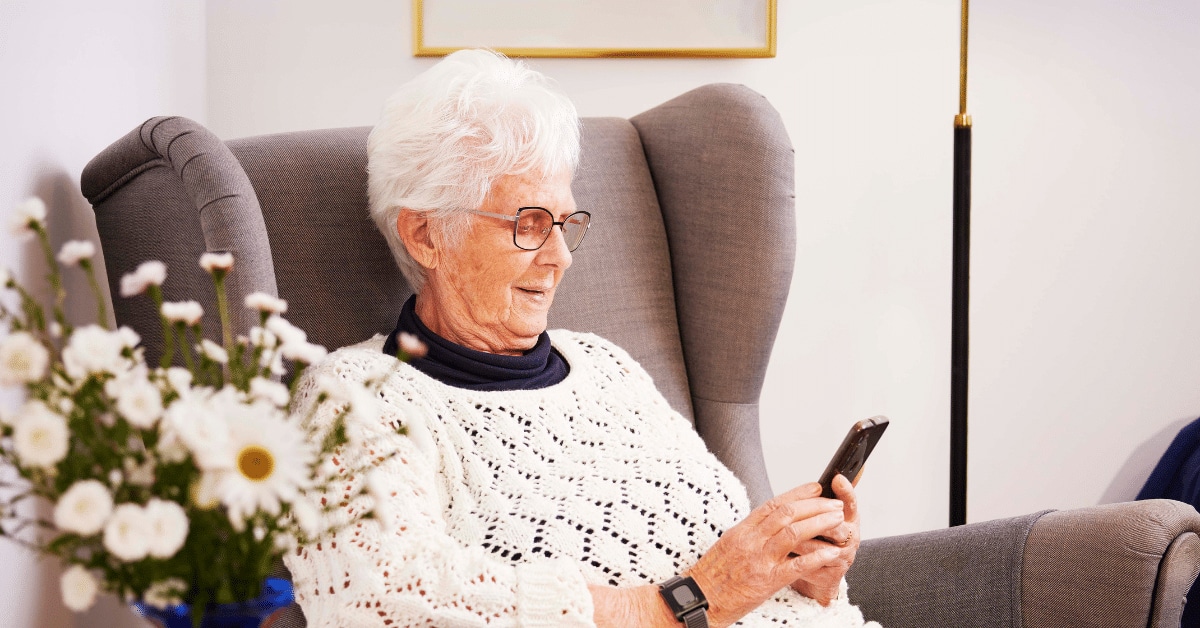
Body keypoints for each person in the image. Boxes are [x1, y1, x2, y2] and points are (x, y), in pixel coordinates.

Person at [285, 49, 881, 628]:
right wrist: (682, 605)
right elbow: (379, 601)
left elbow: (718, 550)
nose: (560, 257)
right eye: (530, 224)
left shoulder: (607, 366)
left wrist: (803, 573)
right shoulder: (357, 400)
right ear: (425, 236)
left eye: (566, 223)